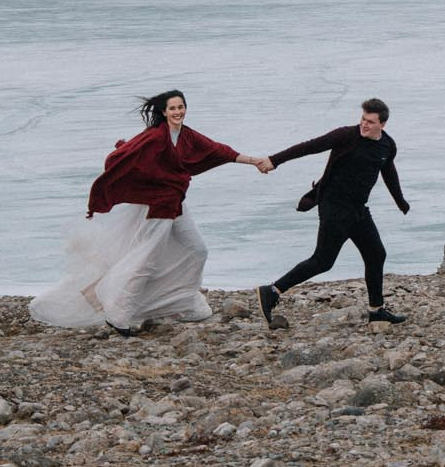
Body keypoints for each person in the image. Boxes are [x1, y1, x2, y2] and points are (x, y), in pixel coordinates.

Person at [30, 89, 270, 335]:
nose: (178, 112)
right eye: (173, 108)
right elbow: (119, 158)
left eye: (181, 107)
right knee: (144, 261)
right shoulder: (155, 137)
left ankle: (184, 302)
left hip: (175, 204)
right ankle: (117, 313)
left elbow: (218, 150)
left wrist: (254, 161)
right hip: (157, 207)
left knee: (198, 250)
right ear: (164, 112)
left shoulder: (186, 136)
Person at [256, 97, 410, 327]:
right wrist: (274, 160)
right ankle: (272, 291)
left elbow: (388, 172)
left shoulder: (387, 145)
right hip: (335, 207)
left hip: (358, 209)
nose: (364, 124)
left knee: (376, 254)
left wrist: (401, 202)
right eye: (363, 119)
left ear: (382, 124)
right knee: (322, 261)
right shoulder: (346, 136)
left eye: (370, 122)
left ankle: (376, 310)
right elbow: (309, 146)